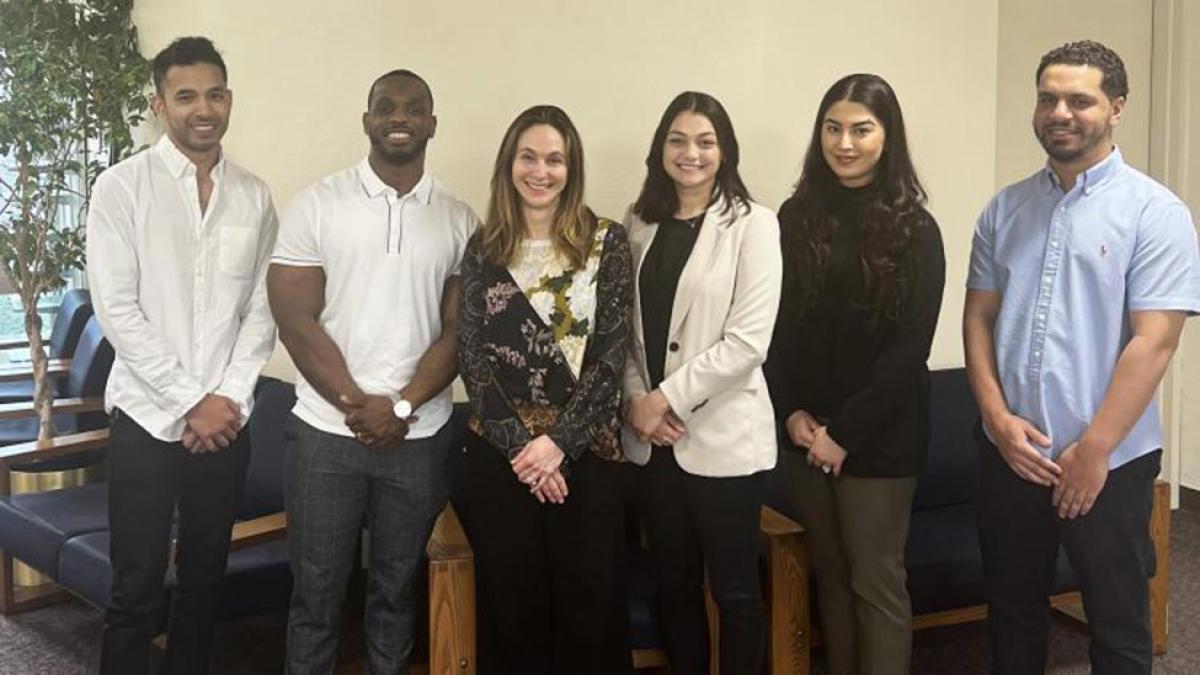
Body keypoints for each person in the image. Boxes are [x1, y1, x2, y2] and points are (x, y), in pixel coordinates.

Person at [964, 40, 1200, 674]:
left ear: (1116, 108)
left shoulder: (1156, 213)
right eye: (1048, 98)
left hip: (1108, 462)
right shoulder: (1004, 208)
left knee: (1119, 622)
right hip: (1013, 453)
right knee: (1011, 611)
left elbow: (1155, 341)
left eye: (1080, 99)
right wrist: (995, 420)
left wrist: (1093, 450)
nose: (1059, 112)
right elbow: (979, 317)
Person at [268, 69, 478, 674]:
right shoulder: (318, 204)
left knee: (395, 594)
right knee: (316, 598)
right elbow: (295, 317)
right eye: (386, 106)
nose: (399, 116)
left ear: (432, 124)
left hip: (418, 439)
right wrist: (358, 404)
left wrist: (403, 407)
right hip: (325, 439)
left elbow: (458, 333)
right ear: (366, 120)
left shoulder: (460, 221)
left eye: (414, 108)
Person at [86, 36, 278, 674]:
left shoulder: (253, 196)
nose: (204, 108)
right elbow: (118, 311)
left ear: (230, 100)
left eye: (215, 94)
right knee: (135, 590)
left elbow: (260, 309)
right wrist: (191, 401)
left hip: (226, 425)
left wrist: (228, 400)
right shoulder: (121, 189)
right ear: (160, 103)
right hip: (146, 420)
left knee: (204, 583)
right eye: (187, 95)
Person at [764, 73, 945, 675]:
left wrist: (843, 435)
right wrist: (792, 413)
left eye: (861, 129)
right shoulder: (794, 217)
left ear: (887, 138)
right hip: (803, 430)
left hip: (880, 440)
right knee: (831, 577)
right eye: (833, 128)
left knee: (875, 581)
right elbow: (775, 328)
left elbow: (906, 353)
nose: (845, 142)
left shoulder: (918, 231)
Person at [458, 104, 634, 675]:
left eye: (554, 159)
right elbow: (473, 361)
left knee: (590, 614)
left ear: (571, 167)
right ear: (509, 165)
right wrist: (525, 451)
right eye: (528, 157)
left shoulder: (606, 242)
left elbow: (611, 357)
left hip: (586, 456)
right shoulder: (484, 251)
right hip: (504, 462)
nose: (541, 171)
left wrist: (557, 444)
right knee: (513, 614)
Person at [623, 91, 782, 675]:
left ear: (725, 151)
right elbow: (625, 330)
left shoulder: (754, 226)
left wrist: (664, 398)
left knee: (737, 593)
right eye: (678, 140)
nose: (690, 153)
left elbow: (747, 343)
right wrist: (638, 400)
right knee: (674, 585)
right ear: (661, 148)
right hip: (653, 444)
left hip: (723, 441)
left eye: (705, 141)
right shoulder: (638, 220)